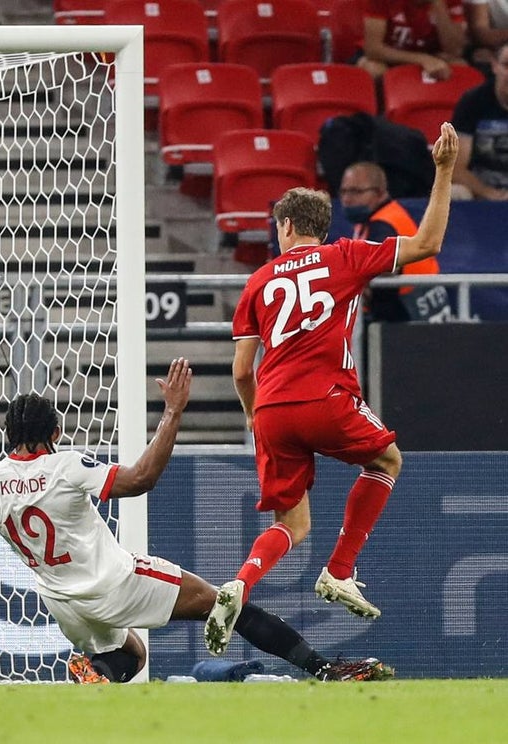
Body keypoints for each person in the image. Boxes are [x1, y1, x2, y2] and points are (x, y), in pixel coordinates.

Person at [0, 361, 393, 684]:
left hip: (62, 602)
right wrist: (173, 412)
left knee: (131, 656)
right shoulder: (67, 465)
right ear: (54, 432)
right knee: (228, 605)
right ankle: (326, 669)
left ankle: (93, 674)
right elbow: (140, 479)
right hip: (117, 580)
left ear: (8, 434)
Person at [205, 123, 460, 657]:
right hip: (325, 398)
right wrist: (443, 171)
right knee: (386, 460)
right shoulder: (345, 255)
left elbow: (241, 370)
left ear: (287, 225)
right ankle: (340, 570)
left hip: (273, 410)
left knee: (291, 522)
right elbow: (429, 243)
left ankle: (240, 583)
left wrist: (253, 414)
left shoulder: (258, 281)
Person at [339, 161, 443, 321]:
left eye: (356, 191)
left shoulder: (383, 225)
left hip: (407, 313)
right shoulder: (384, 215)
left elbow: (384, 269)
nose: (347, 199)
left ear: (380, 192)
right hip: (426, 303)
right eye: (343, 191)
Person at [451, 41, 508, 200]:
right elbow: (455, 167)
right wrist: (491, 193)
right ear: (494, 66)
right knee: (455, 192)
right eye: (507, 66)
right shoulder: (473, 101)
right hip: (480, 190)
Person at [359, 0, 468, 79]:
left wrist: (438, 5)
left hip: (432, 54)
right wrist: (423, 59)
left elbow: (455, 51)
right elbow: (373, 50)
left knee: (460, 67)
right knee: (374, 69)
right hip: (389, 55)